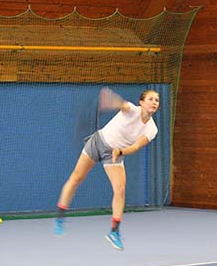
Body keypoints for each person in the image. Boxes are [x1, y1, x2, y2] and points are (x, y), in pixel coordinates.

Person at [54, 87, 160, 250]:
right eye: (151, 99)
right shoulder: (132, 109)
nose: (154, 102)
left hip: (115, 153)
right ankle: (60, 217)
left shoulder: (152, 129)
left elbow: (136, 146)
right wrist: (111, 100)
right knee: (76, 179)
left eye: (157, 100)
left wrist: (120, 151)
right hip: (98, 143)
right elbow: (121, 104)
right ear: (141, 102)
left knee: (120, 189)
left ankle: (114, 232)